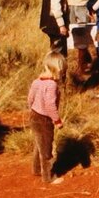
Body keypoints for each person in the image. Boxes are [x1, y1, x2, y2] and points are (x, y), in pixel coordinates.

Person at [28, 51, 66, 184]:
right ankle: (48, 177)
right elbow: (50, 105)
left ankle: (36, 169)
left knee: (39, 144)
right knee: (46, 149)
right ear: (58, 69)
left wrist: (32, 109)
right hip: (44, 119)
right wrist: (57, 120)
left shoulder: (36, 81)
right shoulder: (51, 85)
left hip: (34, 115)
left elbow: (30, 99)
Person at [64, 0, 95, 79]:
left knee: (82, 40)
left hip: (83, 8)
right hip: (70, 8)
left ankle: (81, 68)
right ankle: (86, 61)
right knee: (73, 39)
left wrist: (92, 12)